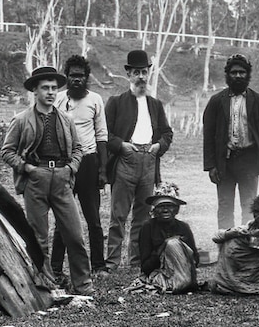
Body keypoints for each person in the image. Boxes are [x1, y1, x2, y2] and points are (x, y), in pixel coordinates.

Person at [0, 66, 94, 295]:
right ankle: (45, 284)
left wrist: (71, 168)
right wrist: (27, 168)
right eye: (45, 88)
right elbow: (7, 151)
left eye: (54, 88)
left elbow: (79, 148)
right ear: (35, 90)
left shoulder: (66, 119)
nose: (51, 92)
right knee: (39, 238)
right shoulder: (21, 120)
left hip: (62, 179)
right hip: (36, 180)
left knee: (74, 235)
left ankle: (83, 285)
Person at [104, 49, 174, 272]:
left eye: (144, 72)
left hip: (149, 161)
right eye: (136, 72)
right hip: (126, 161)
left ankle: (136, 262)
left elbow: (167, 133)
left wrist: (158, 147)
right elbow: (105, 133)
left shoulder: (155, 104)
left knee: (143, 218)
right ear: (128, 75)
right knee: (119, 215)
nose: (141, 77)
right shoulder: (116, 102)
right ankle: (113, 262)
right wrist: (121, 146)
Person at [51, 55, 108, 279]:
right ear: (67, 77)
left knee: (93, 218)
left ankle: (99, 266)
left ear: (87, 78)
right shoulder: (58, 99)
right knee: (62, 219)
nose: (76, 80)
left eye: (81, 76)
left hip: (88, 162)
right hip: (65, 164)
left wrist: (103, 170)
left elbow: (102, 135)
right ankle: (55, 267)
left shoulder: (95, 99)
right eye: (72, 76)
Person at [203, 53, 259, 229]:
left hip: (249, 162)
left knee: (250, 206)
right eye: (234, 72)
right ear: (228, 74)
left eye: (242, 72)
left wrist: (254, 149)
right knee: (225, 206)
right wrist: (211, 165)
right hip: (224, 162)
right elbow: (209, 134)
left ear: (248, 75)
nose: (238, 76)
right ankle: (226, 246)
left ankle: (247, 245)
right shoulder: (216, 101)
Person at [137, 182, 199, 293]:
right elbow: (145, 267)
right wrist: (164, 246)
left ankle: (182, 282)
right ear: (154, 210)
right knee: (171, 244)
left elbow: (195, 260)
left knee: (173, 245)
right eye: (161, 206)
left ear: (176, 210)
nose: (165, 210)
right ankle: (176, 283)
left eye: (169, 206)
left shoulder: (183, 227)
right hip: (159, 274)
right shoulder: (147, 228)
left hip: (183, 273)